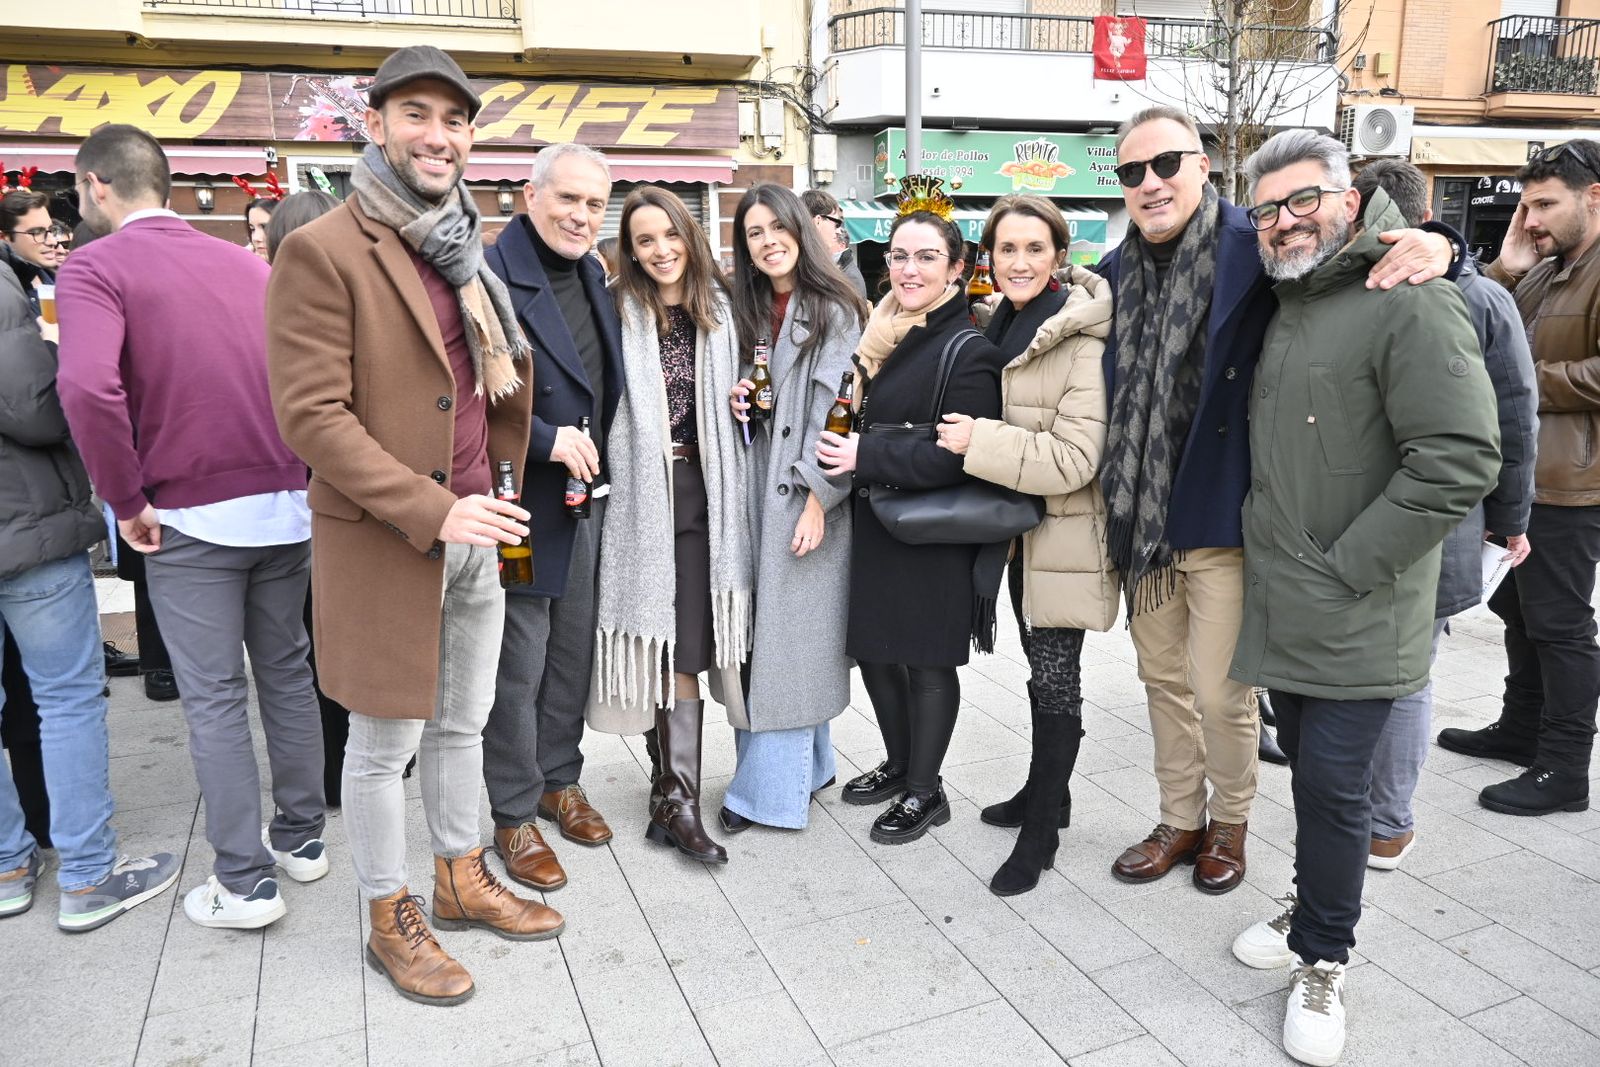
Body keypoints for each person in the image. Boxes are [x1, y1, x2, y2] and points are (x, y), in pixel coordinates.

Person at [1098, 106, 1458, 895]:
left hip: (1227, 513)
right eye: (1131, 172)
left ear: (1202, 164)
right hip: (1145, 525)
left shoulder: (1252, 242)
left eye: (1165, 164)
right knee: (1161, 682)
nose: (1150, 184)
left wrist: (1445, 246)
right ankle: (1177, 816)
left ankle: (1229, 821)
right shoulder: (1117, 267)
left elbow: (1353, 256)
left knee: (1223, 690)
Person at [268, 46, 559, 1006]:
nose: (438, 136)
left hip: (480, 530)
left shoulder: (466, 243)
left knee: (463, 725)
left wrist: (496, 493)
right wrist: (437, 509)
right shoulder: (325, 248)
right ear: (378, 125)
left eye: (455, 120)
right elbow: (311, 418)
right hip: (394, 539)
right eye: (417, 116)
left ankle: (458, 873)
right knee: (384, 741)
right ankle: (389, 912)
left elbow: (481, 390)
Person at [1226, 130, 1500, 1067]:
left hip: (1358, 600)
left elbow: (1460, 456)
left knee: (1337, 793)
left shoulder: (1406, 298)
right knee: (1308, 776)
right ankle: (1312, 905)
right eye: (1265, 209)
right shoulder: (1290, 292)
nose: (1283, 222)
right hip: (1289, 598)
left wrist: (1349, 565)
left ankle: (1325, 959)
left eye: (1303, 200)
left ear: (1351, 198)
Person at [56, 125, 328, 932]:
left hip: (187, 513)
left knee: (214, 699)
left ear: (98, 185)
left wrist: (124, 497)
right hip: (285, 503)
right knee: (286, 672)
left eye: (76, 193)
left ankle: (245, 883)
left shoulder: (95, 265)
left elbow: (86, 390)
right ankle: (302, 838)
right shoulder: (247, 264)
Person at [0, 177, 180, 933]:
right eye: (38, 231)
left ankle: (9, 866)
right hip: (26, 526)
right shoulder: (10, 298)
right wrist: (59, 357)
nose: (52, 241)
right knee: (67, 699)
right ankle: (86, 873)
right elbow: (35, 407)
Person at [1352, 159, 1539, 867]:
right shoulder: (1481, 295)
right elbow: (1518, 419)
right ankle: (1385, 819)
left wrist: (1511, 518)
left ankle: (1383, 814)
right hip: (1445, 522)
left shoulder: (1441, 292)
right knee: (1407, 671)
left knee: (1394, 673)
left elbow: (1514, 417)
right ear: (1423, 207)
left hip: (1390, 519)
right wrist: (1511, 518)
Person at [933, 195, 1117, 895]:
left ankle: (1041, 832)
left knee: (1056, 679)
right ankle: (1050, 793)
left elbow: (1075, 459)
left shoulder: (1078, 336)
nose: (1019, 261)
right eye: (1006, 249)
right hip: (1021, 532)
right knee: (1040, 676)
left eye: (1034, 248)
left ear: (1059, 256)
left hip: (1065, 533)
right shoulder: (1003, 320)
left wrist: (978, 441)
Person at [817, 204, 1006, 845]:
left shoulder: (968, 349)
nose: (909, 268)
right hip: (878, 524)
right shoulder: (881, 332)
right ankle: (900, 765)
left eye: (927, 256)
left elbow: (957, 454)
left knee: (926, 664)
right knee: (875, 652)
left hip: (930, 531)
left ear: (956, 269)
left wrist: (866, 454)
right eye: (900, 255)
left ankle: (927, 792)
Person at [589, 186, 750, 864]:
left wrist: (745, 394)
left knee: (693, 639)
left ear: (690, 234)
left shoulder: (722, 308)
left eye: (669, 235)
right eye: (644, 240)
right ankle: (677, 800)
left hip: (713, 491)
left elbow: (754, 384)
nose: (659, 250)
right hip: (643, 497)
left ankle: (668, 793)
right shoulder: (619, 309)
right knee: (675, 641)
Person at [1440, 139, 1600, 817]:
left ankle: (1564, 766)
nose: (1529, 218)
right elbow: (1484, 328)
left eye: (1544, 204)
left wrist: (1520, 385)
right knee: (1516, 607)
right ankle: (1520, 726)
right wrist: (1505, 270)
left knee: (1561, 624)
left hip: (1573, 480)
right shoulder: (1543, 269)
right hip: (1521, 479)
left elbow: (1516, 369)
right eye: (1526, 204)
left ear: (1594, 197)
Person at [482, 142, 623, 891]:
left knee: (571, 654)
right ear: (529, 196)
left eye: (595, 204)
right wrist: (545, 439)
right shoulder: (489, 276)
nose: (580, 215)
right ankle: (512, 813)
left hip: (584, 499)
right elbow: (463, 398)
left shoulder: (592, 272)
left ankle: (557, 779)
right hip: (520, 502)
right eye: (567, 198)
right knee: (518, 665)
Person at [722, 182, 866, 831]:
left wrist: (818, 499)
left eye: (777, 227)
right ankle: (814, 766)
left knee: (787, 645)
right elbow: (764, 396)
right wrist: (739, 400)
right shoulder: (748, 307)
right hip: (757, 491)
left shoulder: (834, 307)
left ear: (801, 230)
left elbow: (839, 411)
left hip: (804, 498)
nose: (768, 241)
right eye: (754, 233)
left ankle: (766, 795)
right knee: (775, 638)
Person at [262, 188, 350, 807]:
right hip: (340, 501)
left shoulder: (263, 304)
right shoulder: (349, 306)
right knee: (343, 637)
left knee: (299, 651)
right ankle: (352, 762)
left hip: (285, 503)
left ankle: (322, 774)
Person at [802, 188, 868, 300]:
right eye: (837, 224)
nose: (838, 231)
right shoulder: (811, 271)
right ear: (818, 221)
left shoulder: (799, 266)